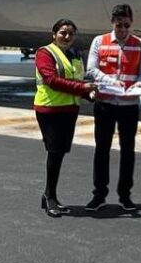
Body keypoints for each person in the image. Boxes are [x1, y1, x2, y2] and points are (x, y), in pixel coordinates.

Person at [84, 3, 141, 211]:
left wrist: (138, 84)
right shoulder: (100, 42)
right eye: (119, 25)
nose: (122, 29)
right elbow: (91, 69)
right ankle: (99, 194)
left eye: (126, 25)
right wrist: (112, 82)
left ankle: (125, 195)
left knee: (128, 150)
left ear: (131, 23)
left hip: (129, 104)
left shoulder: (139, 44)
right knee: (102, 149)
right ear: (112, 22)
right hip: (105, 102)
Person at [34, 18, 98, 217]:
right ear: (54, 34)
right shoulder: (44, 53)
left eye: (71, 33)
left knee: (59, 153)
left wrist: (89, 94)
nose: (67, 37)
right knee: (54, 152)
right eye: (63, 33)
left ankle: (48, 195)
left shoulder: (76, 54)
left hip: (69, 110)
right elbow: (51, 80)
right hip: (50, 109)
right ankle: (50, 196)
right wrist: (82, 88)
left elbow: (76, 81)